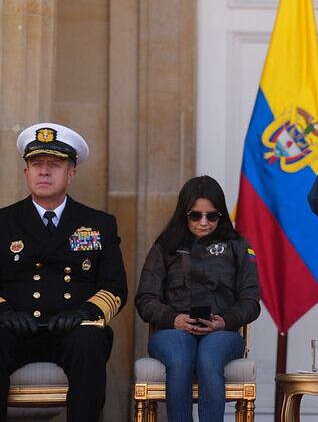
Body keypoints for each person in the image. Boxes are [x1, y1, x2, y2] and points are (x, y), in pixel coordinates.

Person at [0, 122, 127, 422]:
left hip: (71, 330)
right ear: (26, 173)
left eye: (54, 165)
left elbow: (114, 286)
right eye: (36, 164)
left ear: (71, 173)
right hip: (15, 328)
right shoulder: (4, 222)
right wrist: (3, 312)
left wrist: (86, 313)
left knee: (91, 341)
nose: (44, 172)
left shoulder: (98, 223)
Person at [135, 175, 260, 422]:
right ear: (184, 214)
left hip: (221, 333)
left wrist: (224, 321)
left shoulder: (238, 246)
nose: (203, 222)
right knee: (181, 358)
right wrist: (174, 319)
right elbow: (145, 299)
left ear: (221, 215)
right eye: (195, 215)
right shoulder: (165, 246)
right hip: (173, 331)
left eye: (211, 216)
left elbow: (251, 300)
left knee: (209, 357)